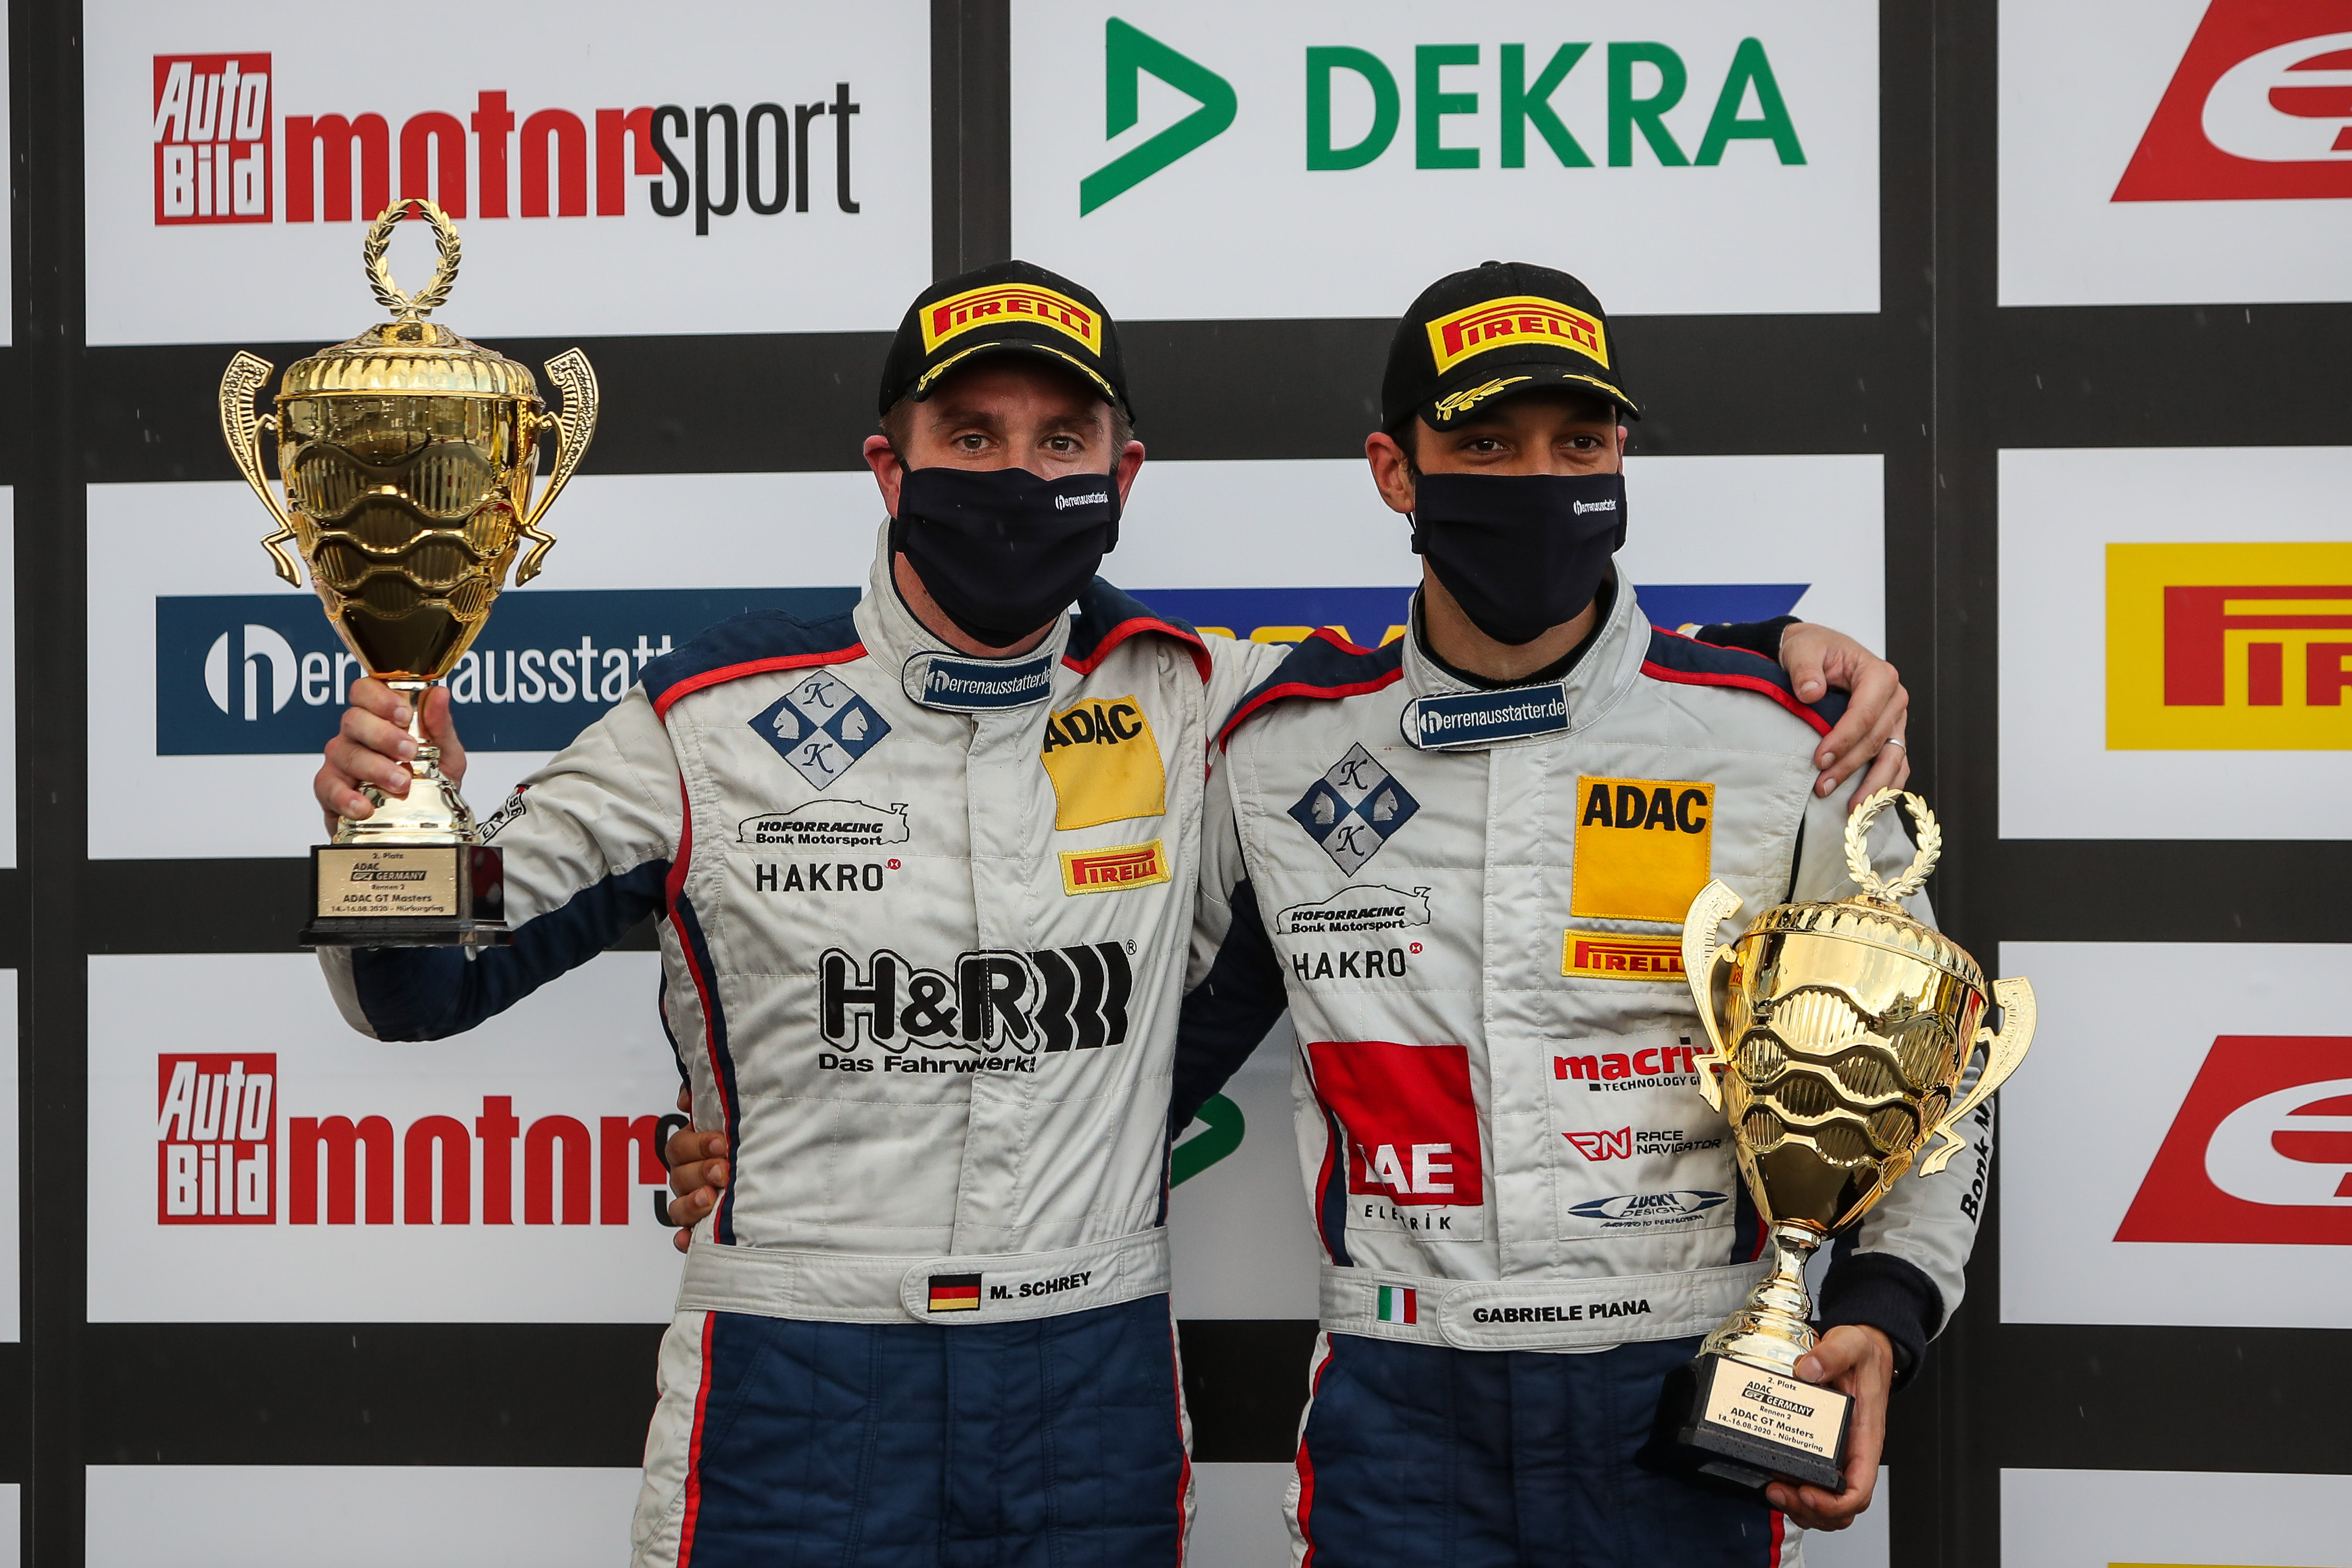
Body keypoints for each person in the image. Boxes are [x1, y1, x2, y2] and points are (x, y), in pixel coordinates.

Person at [316, 259, 1908, 1568]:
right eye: (973, 434)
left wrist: (1771, 653)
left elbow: (1503, 694)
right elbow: (417, 993)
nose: (1020, 474)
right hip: (796, 1380)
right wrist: (382, 819)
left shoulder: (1210, 705)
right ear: (889, 466)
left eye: (1062, 437)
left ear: (1122, 474)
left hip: (1082, 1385)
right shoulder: (710, 714)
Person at [1162, 262, 1975, 1567]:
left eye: (1579, 443)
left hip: (1685, 1389)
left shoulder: (1784, 744)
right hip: (1401, 1399)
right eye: (1486, 444)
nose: (1540, 479)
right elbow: (1121, 1033)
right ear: (1394, 470)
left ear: (1621, 458)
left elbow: (1932, 1073)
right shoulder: (1275, 749)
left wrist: (1883, 1306)